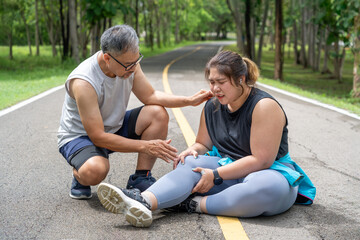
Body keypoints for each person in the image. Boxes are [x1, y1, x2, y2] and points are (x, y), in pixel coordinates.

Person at [96, 50, 316, 228]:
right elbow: (203, 144)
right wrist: (193, 150)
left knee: (266, 187)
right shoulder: (212, 106)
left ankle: (193, 204)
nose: (215, 88)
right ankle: (143, 201)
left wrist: (216, 174)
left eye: (221, 82)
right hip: (229, 170)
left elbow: (262, 160)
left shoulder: (264, 106)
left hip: (269, 173)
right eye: (211, 82)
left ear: (241, 79)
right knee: (191, 164)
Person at [57, 24, 213, 200]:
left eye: (136, 61)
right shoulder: (84, 82)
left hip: (113, 126)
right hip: (81, 137)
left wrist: (188, 101)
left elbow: (151, 95)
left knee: (157, 113)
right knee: (97, 171)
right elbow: (98, 137)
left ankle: (140, 178)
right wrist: (147, 146)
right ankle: (80, 176)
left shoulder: (129, 63)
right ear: (107, 58)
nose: (133, 68)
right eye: (128, 65)